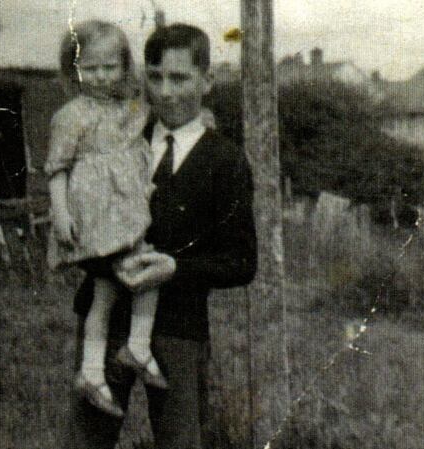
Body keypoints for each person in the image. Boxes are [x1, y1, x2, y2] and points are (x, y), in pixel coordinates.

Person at [66, 23, 258, 449]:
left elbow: (241, 263)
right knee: (84, 441)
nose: (167, 91)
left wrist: (174, 268)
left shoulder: (226, 161)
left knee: (180, 441)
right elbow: (81, 221)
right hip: (106, 323)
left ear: (207, 81)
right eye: (156, 77)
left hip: (179, 328)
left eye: (180, 78)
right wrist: (108, 261)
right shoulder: (116, 136)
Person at [45, 20, 168, 418]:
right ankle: (114, 358)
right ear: (74, 71)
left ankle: (116, 357)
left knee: (128, 281)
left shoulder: (130, 109)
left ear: (123, 66)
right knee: (122, 283)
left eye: (109, 67)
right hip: (96, 215)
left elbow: (156, 106)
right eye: (89, 69)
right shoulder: (71, 115)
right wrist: (61, 213)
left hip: (126, 210)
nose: (99, 77)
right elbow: (57, 168)